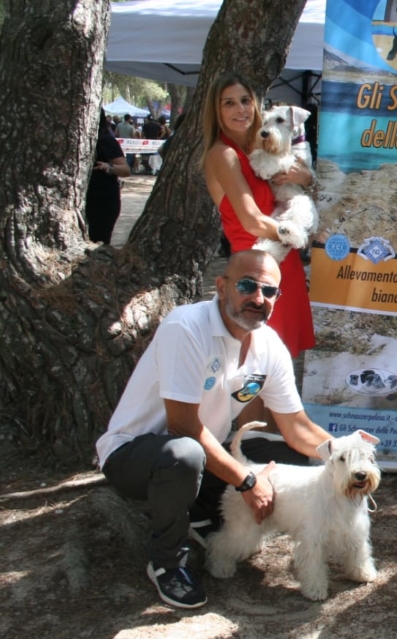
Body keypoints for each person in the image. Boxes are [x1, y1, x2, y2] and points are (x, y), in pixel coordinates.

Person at [96, 250, 335, 609]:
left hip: (204, 449)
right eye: (247, 286)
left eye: (269, 292)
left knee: (299, 457)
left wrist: (348, 459)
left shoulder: (269, 346)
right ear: (222, 287)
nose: (258, 298)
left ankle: (201, 514)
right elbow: (183, 426)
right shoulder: (186, 327)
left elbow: (297, 427)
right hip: (137, 454)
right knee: (184, 455)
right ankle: (167, 563)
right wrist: (247, 481)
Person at [202, 71, 315, 357]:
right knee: (256, 367)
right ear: (216, 111)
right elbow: (251, 220)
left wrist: (306, 178)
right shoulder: (223, 154)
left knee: (279, 365)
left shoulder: (260, 146)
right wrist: (292, 233)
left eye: (245, 101)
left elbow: (293, 186)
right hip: (253, 271)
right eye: (228, 103)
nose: (240, 109)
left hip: (283, 261)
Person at [86, 108, 132, 244]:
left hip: (102, 201)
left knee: (98, 240)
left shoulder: (106, 141)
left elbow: (126, 170)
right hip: (85, 200)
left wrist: (109, 167)